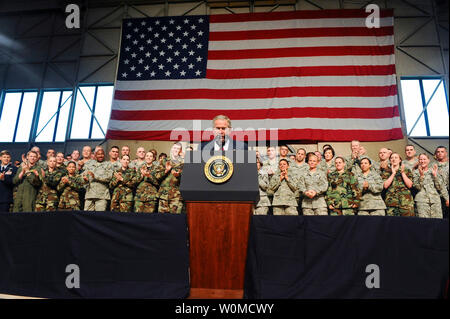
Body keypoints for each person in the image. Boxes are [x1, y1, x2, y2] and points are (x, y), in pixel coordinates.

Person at [381, 152, 414, 217]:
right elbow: (385, 185)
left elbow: (410, 185)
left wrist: (402, 173)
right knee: (392, 224)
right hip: (391, 203)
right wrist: (393, 173)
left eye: (396, 157)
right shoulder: (386, 171)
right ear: (390, 160)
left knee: (408, 224)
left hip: (406, 203)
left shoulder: (406, 170)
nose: (394, 159)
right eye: (392, 158)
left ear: (400, 160)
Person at [413, 153, 443, 218]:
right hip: (421, 201)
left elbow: (439, 187)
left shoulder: (434, 171)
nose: (422, 161)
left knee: (437, 222)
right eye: (420, 159)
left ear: (429, 160)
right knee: (423, 223)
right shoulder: (415, 172)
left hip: (435, 200)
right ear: (418, 161)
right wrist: (421, 176)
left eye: (424, 159)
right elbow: (417, 187)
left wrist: (435, 176)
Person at [158, 143, 184, 214]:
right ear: (172, 149)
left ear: (180, 151)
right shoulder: (164, 161)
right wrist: (166, 171)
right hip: (164, 195)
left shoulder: (183, 162)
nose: (176, 150)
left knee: (175, 219)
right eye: (175, 148)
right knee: (161, 219)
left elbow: (188, 178)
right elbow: (157, 176)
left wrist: (179, 175)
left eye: (178, 149)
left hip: (176, 195)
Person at [434, 146, 449, 218]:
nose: (440, 153)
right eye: (438, 152)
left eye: (442, 152)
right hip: (437, 195)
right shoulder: (432, 166)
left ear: (446, 153)